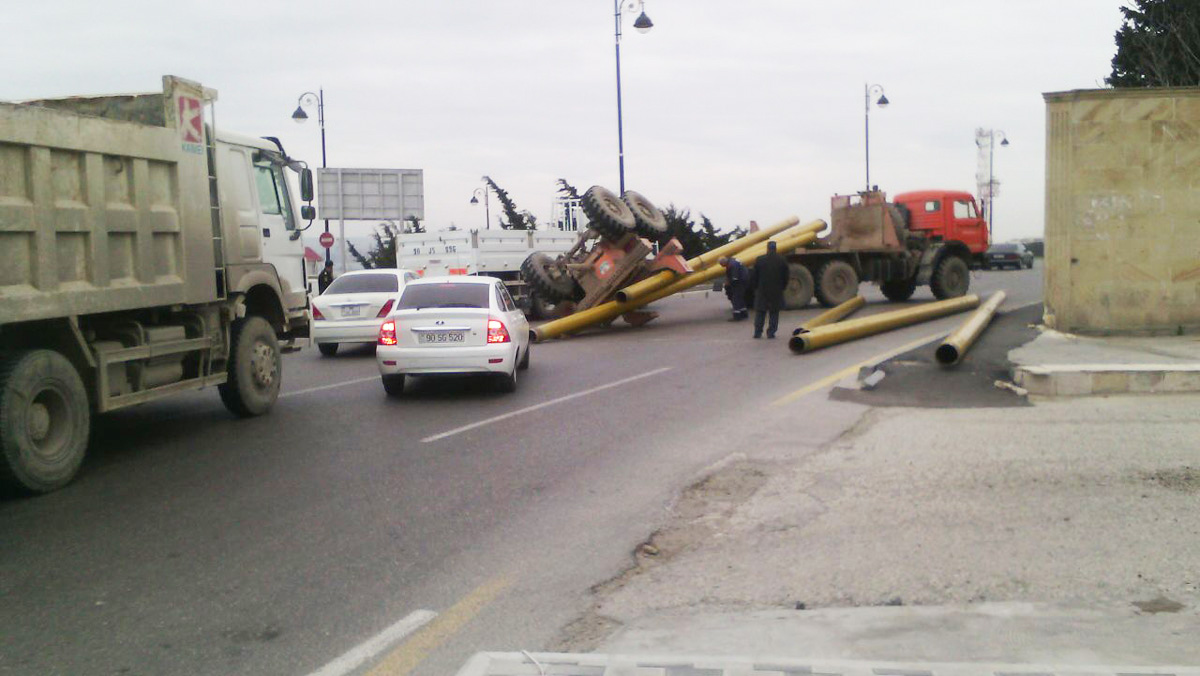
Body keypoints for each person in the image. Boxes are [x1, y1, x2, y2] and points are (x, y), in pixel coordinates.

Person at [749, 240, 790, 339]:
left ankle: (757, 332)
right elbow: (786, 276)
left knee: (760, 312)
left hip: (762, 290)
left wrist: (755, 287)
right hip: (776, 290)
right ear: (776, 248)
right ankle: (771, 333)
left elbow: (754, 276)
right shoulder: (782, 260)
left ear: (767, 248)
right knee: (774, 312)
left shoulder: (760, 259)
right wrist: (783, 287)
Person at [719, 256, 750, 321]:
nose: (721, 266)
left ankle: (737, 316)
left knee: (735, 298)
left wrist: (729, 284)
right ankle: (744, 313)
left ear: (724, 262)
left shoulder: (732, 265)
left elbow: (734, 278)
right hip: (744, 280)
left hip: (740, 282)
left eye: (721, 264)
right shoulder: (732, 261)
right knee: (740, 298)